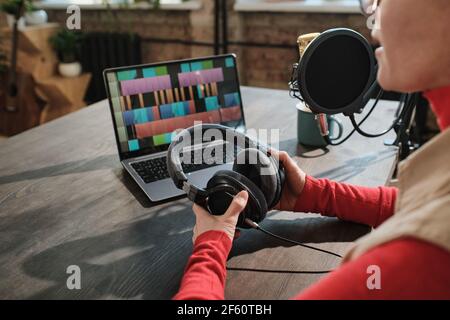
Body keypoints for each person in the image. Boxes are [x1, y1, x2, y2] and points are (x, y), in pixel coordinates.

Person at [174, 0, 450, 299]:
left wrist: (210, 246)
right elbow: (411, 204)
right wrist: (314, 194)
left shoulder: (424, 257)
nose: (372, 13)